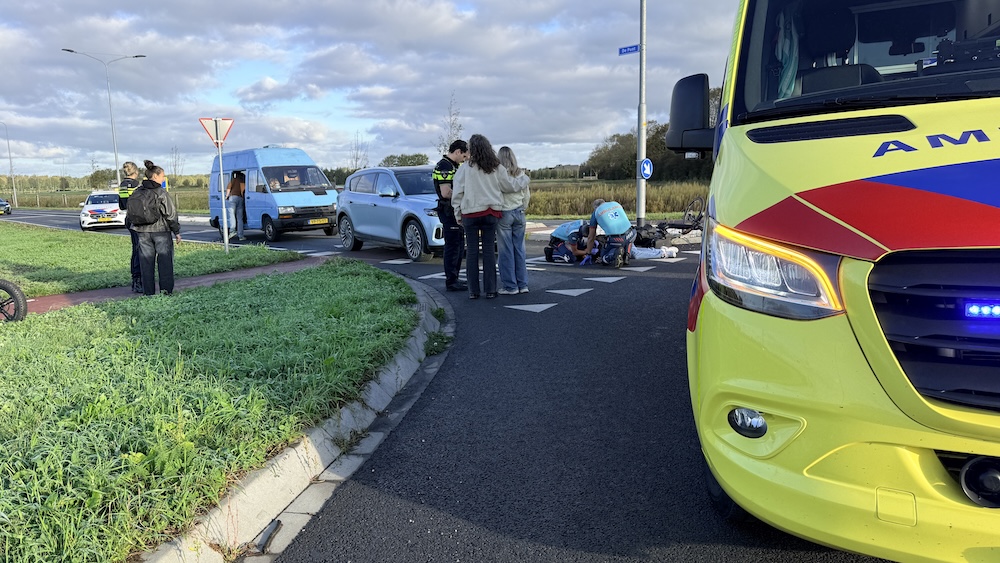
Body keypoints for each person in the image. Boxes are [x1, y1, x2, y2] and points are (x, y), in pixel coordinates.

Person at [452, 134, 524, 299]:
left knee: (471, 252)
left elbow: (457, 193)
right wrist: (524, 179)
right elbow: (508, 186)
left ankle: (473, 291)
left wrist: (458, 213)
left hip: (470, 213)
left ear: (471, 149)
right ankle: (491, 290)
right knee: (489, 251)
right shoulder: (496, 167)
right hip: (491, 212)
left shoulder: (464, 169)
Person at [132, 160, 182, 296]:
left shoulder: (137, 192)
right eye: (162, 176)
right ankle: (166, 293)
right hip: (161, 232)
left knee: (146, 263)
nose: (163, 178)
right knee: (165, 262)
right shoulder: (161, 193)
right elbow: (170, 214)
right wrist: (176, 231)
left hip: (142, 232)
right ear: (155, 176)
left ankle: (148, 293)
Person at [433, 140, 469, 292]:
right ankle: (451, 281)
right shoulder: (445, 166)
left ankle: (455, 278)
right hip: (448, 211)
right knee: (453, 247)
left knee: (459, 246)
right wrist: (464, 197)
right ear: (458, 151)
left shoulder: (453, 165)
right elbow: (446, 192)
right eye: (464, 156)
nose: (465, 160)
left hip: (453, 210)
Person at [496, 146, 531, 295]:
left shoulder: (497, 174)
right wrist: (523, 207)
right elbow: (527, 195)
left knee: (506, 251)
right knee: (519, 250)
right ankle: (523, 284)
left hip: (504, 212)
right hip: (519, 212)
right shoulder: (521, 174)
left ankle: (510, 286)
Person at [583, 199, 638, 267]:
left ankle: (614, 254)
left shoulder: (596, 212)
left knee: (603, 258)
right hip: (632, 233)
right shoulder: (615, 203)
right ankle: (627, 255)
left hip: (618, 239)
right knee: (628, 241)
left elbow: (591, 236)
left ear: (595, 207)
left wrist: (589, 253)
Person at [118, 161, 144, 293]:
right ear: (136, 172)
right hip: (137, 220)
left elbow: (122, 205)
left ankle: (135, 280)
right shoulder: (137, 186)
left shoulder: (122, 185)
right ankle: (139, 280)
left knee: (135, 249)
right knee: (140, 250)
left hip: (128, 218)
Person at [226, 171, 246, 240]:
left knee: (232, 215)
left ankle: (232, 231)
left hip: (232, 198)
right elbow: (243, 191)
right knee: (240, 218)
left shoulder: (233, 180)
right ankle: (241, 236)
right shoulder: (242, 181)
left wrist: (227, 196)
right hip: (240, 198)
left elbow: (228, 188)